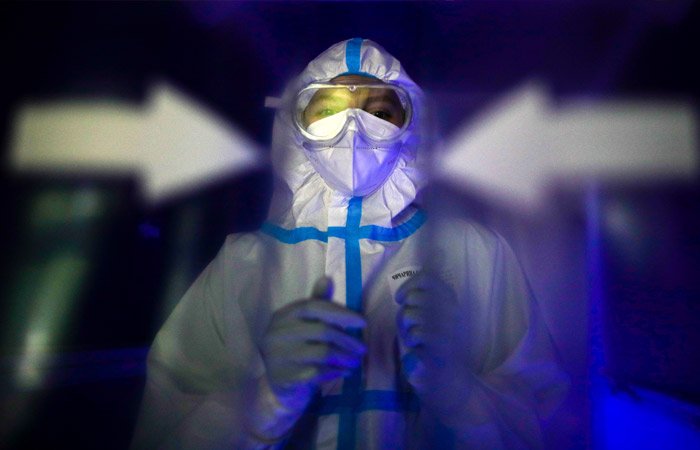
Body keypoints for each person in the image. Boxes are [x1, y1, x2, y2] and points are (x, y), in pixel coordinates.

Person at [131, 38, 569, 449]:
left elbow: (542, 422)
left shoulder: (476, 255)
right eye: (328, 111)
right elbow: (164, 428)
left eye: (379, 112)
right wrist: (266, 398)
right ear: (295, 128)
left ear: (411, 127)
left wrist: (455, 389)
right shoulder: (243, 265)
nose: (354, 128)